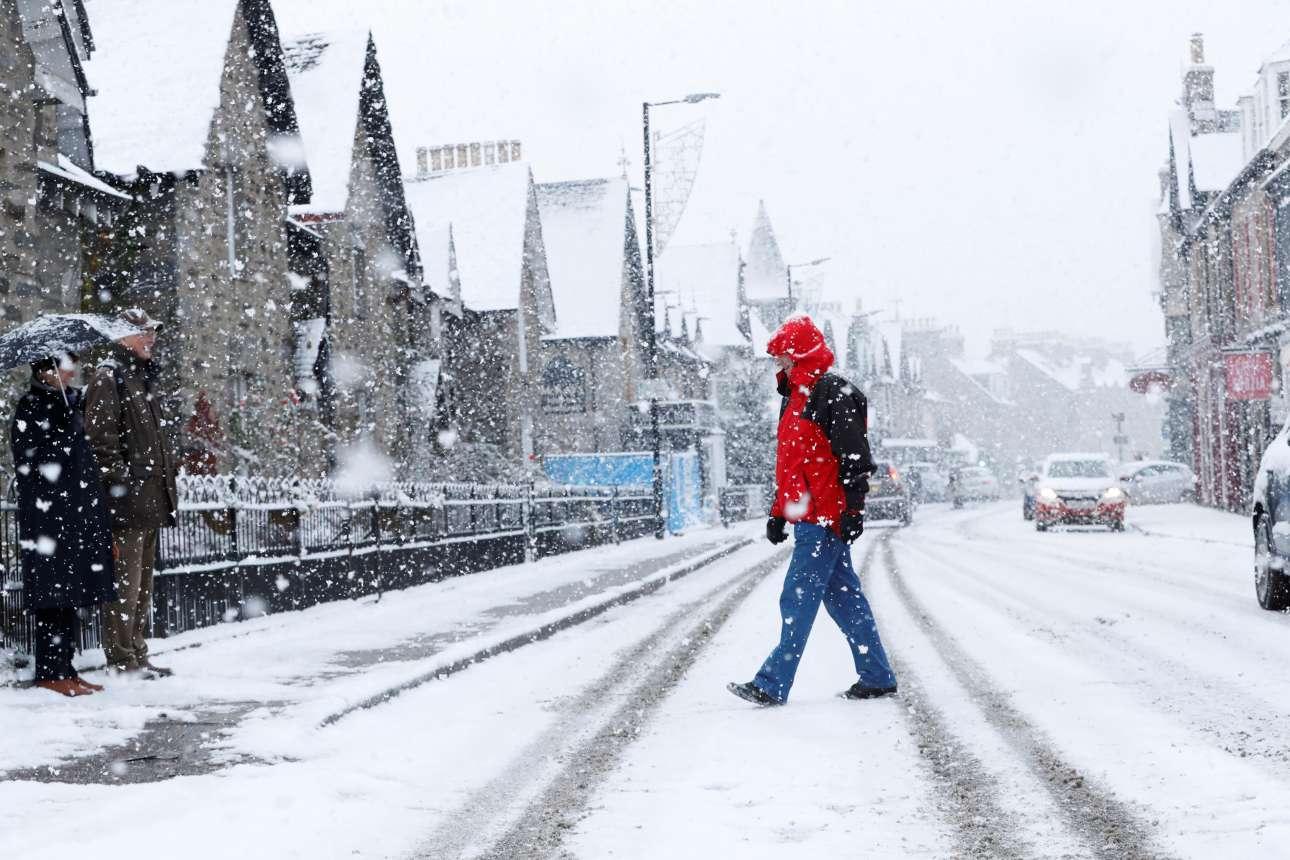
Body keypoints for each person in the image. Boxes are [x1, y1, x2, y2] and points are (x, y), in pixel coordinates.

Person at [728, 314, 898, 706]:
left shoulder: (832, 393)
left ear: (801, 356)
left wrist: (853, 510)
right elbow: (791, 465)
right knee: (845, 600)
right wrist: (778, 512)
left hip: (825, 518)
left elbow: (855, 459)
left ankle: (772, 683)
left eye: (783, 358)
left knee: (797, 597)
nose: (778, 365)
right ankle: (876, 676)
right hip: (809, 517)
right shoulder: (793, 398)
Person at [10, 352, 117, 696]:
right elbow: (31, 460)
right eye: (61, 367)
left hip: (73, 515)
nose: (69, 373)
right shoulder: (31, 407)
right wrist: (63, 428)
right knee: (52, 595)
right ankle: (50, 671)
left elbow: (81, 463)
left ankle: (67, 668)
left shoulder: (71, 405)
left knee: (71, 593)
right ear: (45, 371)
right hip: (48, 517)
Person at [84, 309, 178, 678]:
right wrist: (120, 487)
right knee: (126, 586)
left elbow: (153, 443)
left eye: (153, 331)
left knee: (142, 587)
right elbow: (101, 443)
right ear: (123, 337)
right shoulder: (109, 377)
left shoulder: (140, 378)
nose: (151, 338)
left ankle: (137, 653)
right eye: (144, 332)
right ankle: (122, 659)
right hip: (127, 503)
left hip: (150, 499)